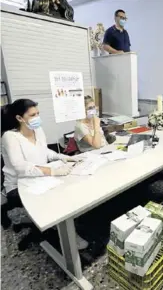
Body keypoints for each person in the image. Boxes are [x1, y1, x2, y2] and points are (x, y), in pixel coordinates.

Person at [1, 99, 88, 249]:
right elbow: (20, 167)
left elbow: (45, 151)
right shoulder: (10, 137)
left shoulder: (38, 131)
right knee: (56, 197)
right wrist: (52, 171)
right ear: (19, 118)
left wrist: (64, 157)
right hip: (18, 185)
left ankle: (66, 224)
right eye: (32, 115)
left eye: (38, 114)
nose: (37, 118)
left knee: (69, 186)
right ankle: (67, 236)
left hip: (39, 177)